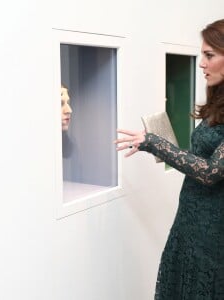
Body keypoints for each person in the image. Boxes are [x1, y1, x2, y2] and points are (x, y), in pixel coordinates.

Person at [114, 19, 224, 299]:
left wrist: (154, 143)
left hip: (214, 232)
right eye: (202, 55)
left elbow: (211, 172)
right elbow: (199, 158)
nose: (201, 63)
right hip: (190, 219)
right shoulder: (218, 102)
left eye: (209, 55)